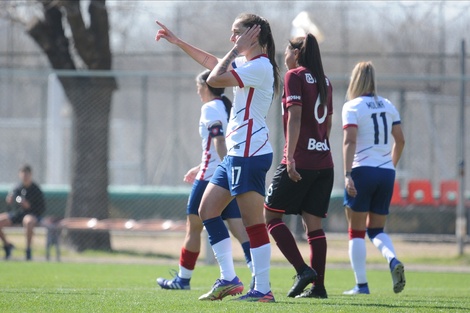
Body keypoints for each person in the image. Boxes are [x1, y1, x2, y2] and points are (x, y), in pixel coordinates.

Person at [156, 12, 280, 302]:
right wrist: (178, 42)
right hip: (237, 153)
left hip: (249, 152)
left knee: (253, 224)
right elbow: (212, 63)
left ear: (254, 34)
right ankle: (229, 278)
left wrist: (236, 49)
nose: (231, 38)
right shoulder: (250, 64)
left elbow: (214, 77)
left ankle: (263, 289)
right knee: (207, 210)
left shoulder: (260, 66)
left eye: (236, 32)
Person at [156, 69, 253, 290]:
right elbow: (218, 145)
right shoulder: (227, 107)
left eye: (199, 86)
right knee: (239, 229)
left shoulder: (210, 107)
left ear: (207, 86)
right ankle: (258, 276)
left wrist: (223, 169)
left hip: (212, 177)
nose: (198, 91)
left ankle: (183, 279)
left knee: (194, 227)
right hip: (223, 174)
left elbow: (218, 140)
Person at [264, 34, 333, 299]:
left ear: (296, 53)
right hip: (324, 162)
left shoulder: (294, 75)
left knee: (270, 217)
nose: (284, 54)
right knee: (313, 226)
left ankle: (303, 270)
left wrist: (290, 157)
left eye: (287, 49)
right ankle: (319, 288)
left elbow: (294, 117)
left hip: (300, 160)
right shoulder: (325, 80)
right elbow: (326, 123)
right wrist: (319, 146)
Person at [342, 61, 406, 295]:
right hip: (386, 171)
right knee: (376, 230)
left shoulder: (352, 106)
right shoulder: (388, 105)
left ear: (355, 80)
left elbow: (349, 141)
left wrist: (347, 174)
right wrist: (390, 164)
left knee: (356, 231)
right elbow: (400, 140)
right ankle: (392, 260)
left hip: (362, 170)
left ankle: (361, 285)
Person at [0, 164, 46, 260]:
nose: (25, 177)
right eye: (23, 174)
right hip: (18, 214)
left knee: (28, 221)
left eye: (27, 174)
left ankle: (28, 249)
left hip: (32, 214)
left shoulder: (35, 189)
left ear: (31, 175)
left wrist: (29, 206)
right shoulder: (17, 188)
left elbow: (41, 208)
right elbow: (11, 203)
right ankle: (7, 245)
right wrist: (10, 200)